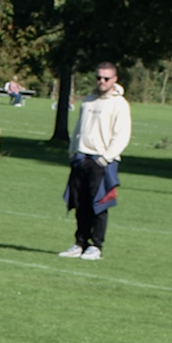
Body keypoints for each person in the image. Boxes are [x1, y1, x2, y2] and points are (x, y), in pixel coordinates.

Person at [61, 61, 131, 259]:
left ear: (114, 79)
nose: (102, 81)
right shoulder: (89, 99)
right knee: (79, 202)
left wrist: (105, 158)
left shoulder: (119, 104)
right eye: (99, 77)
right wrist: (73, 151)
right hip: (81, 156)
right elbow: (79, 128)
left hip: (101, 160)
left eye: (106, 78)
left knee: (99, 204)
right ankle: (79, 242)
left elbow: (122, 135)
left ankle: (96, 245)